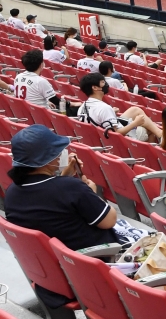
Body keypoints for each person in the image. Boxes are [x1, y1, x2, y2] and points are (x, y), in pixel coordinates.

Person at [3, 125, 118, 308]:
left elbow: (49, 197)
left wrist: (66, 178)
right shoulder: (71, 188)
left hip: (52, 274)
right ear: (46, 161)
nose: (61, 154)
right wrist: (90, 193)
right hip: (90, 268)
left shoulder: (12, 193)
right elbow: (109, 221)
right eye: (57, 152)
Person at [78, 73, 162, 141]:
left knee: (135, 110)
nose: (106, 84)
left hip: (98, 137)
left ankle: (159, 133)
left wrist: (111, 113)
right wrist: (135, 123)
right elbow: (117, 134)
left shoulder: (82, 106)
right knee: (149, 128)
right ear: (95, 87)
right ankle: (150, 150)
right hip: (120, 140)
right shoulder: (104, 108)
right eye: (103, 82)